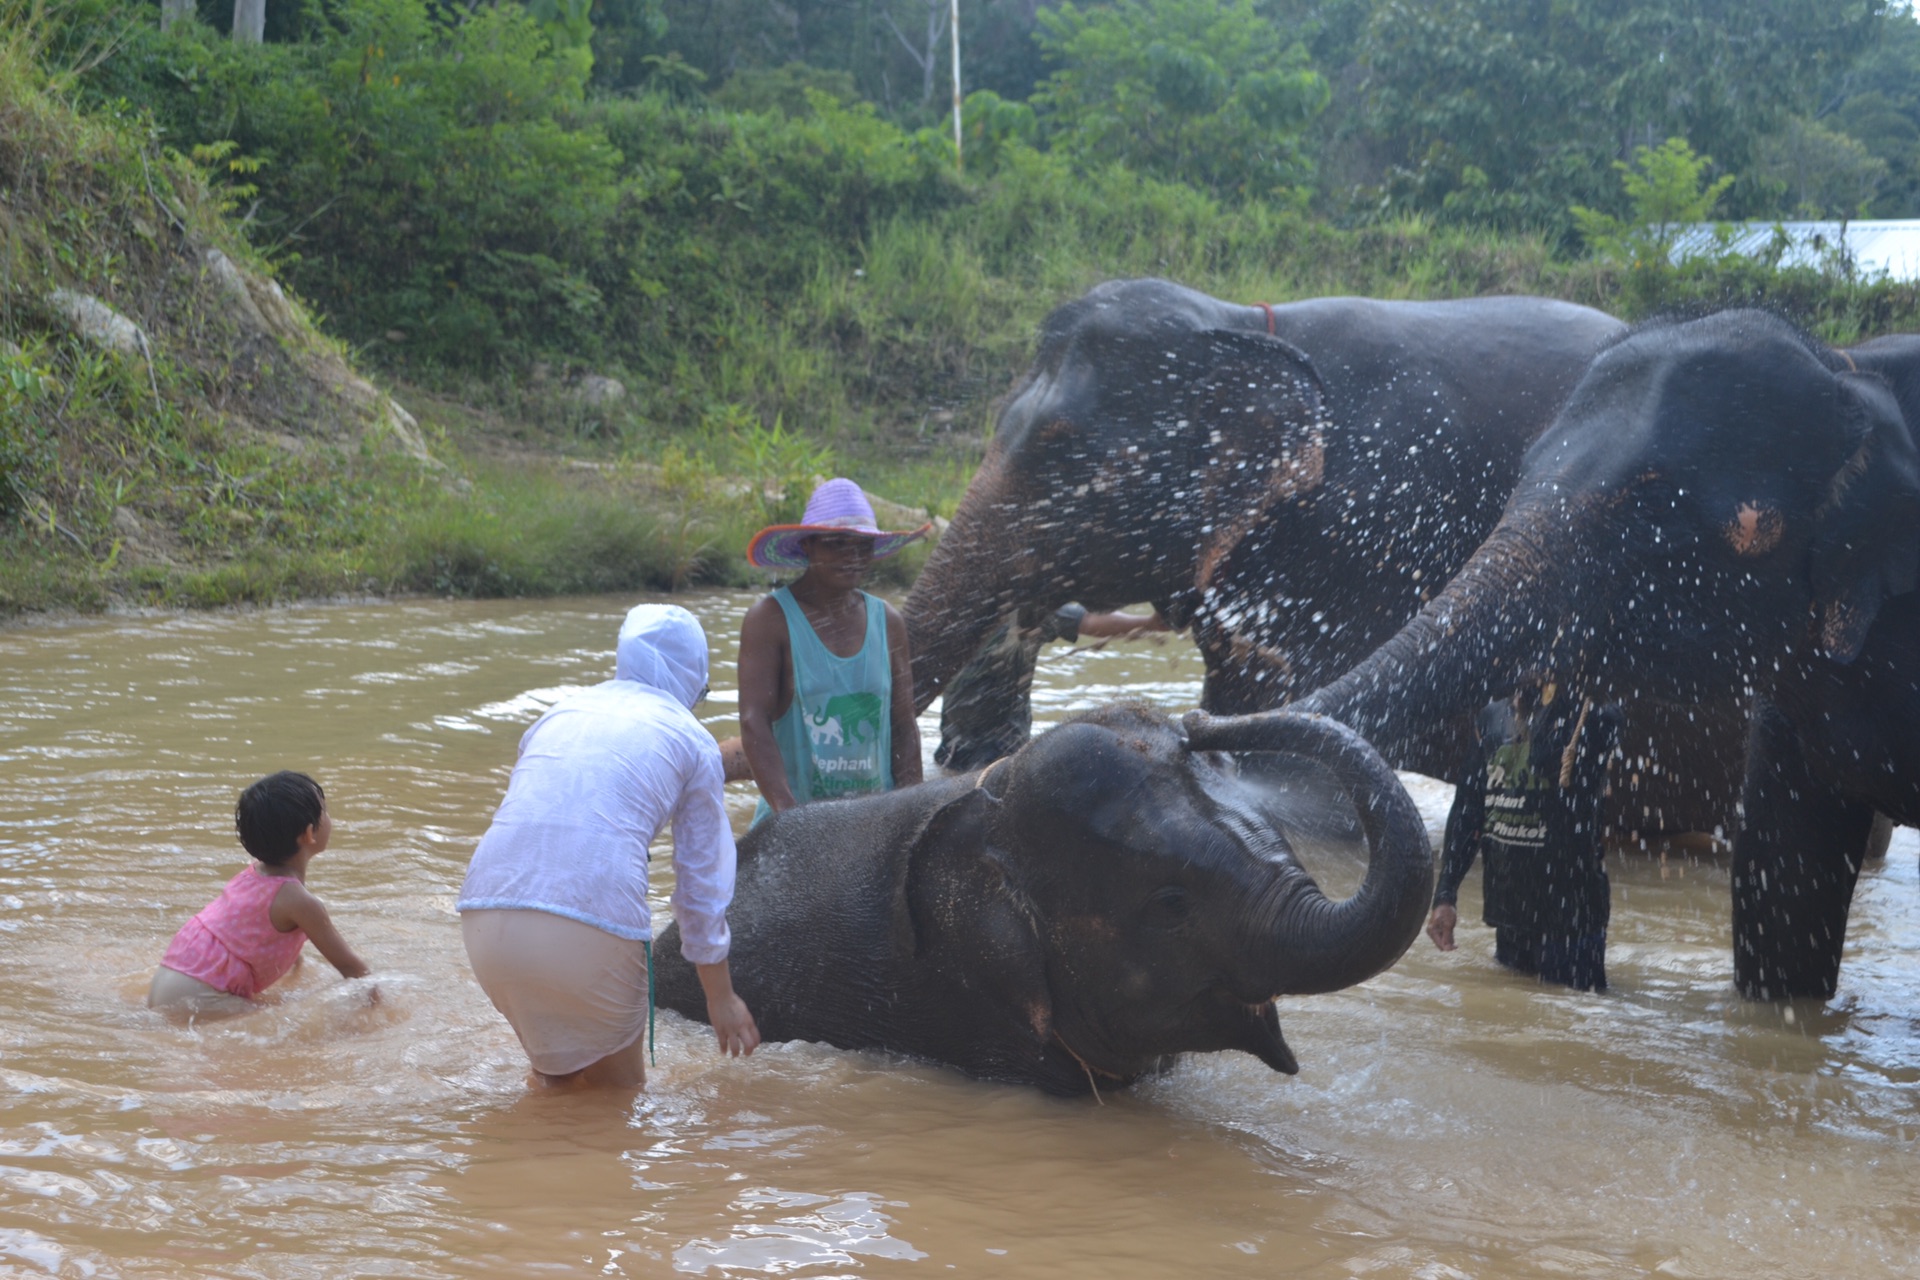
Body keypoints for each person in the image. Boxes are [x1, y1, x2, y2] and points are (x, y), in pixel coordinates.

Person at [459, 604, 758, 1089]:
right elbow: (701, 885)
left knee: (555, 1090)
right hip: (587, 924)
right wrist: (720, 997)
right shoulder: (691, 738)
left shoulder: (560, 713)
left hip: (484, 917)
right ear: (694, 679)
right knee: (618, 1110)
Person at [737, 478, 930, 822]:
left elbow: (903, 725)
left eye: (862, 546)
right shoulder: (770, 620)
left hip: (872, 820)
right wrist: (789, 816)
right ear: (808, 546)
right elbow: (755, 722)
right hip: (795, 818)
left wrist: (912, 812)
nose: (852, 557)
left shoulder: (888, 622)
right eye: (837, 544)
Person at [1427, 678, 1623, 992]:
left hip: (1571, 920)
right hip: (1510, 913)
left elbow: (1543, 759)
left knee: (1568, 1027)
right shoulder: (1491, 718)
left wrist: (1552, 701)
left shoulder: (1594, 717)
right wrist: (1445, 896)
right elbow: (1468, 810)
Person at [149, 771, 370, 1019]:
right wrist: (382, 1012)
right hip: (200, 996)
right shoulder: (301, 903)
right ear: (309, 833)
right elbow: (352, 968)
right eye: (325, 811)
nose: (330, 818)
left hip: (171, 980)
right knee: (290, 1021)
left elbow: (260, 938)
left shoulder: (253, 874)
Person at [934, 604, 1170, 772]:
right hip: (958, 745)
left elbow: (1088, 621)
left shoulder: (1031, 609)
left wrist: (1150, 623)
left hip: (1005, 745)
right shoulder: (960, 606)